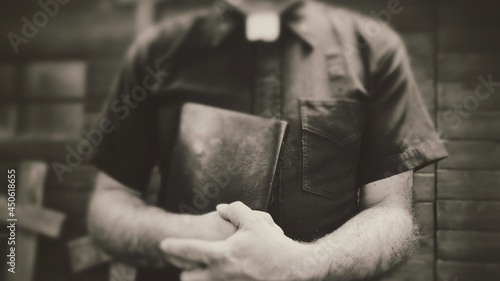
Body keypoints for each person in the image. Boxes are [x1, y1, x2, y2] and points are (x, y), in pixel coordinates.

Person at [87, 0, 448, 280]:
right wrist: (191, 234)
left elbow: (391, 211)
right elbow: (109, 204)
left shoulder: (374, 49)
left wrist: (303, 265)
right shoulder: (157, 51)